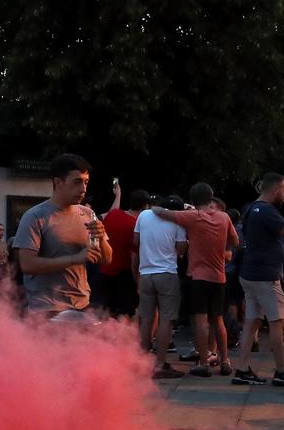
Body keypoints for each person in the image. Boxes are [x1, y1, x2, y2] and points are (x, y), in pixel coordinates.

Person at [152, 184, 239, 377]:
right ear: (211, 197)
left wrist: (184, 207)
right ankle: (225, 361)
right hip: (219, 277)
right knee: (218, 320)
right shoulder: (224, 218)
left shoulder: (192, 217)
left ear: (193, 199)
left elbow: (159, 212)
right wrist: (223, 248)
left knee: (200, 321)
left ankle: (203, 363)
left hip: (198, 277)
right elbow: (236, 241)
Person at [231, 173, 284, 386]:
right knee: (277, 322)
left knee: (253, 320)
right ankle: (282, 370)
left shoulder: (251, 209)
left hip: (250, 273)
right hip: (265, 276)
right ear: (275, 190)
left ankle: (243, 369)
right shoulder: (266, 211)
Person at [11, 154, 110, 317]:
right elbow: (27, 265)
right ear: (57, 182)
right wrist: (74, 259)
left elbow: (106, 260)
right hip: (46, 308)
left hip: (82, 304)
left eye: (86, 182)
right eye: (77, 182)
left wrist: (100, 239)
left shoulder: (88, 214)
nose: (83, 189)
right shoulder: (35, 216)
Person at [135, 194, 189, 377]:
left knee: (146, 318)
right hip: (167, 273)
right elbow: (181, 247)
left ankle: (142, 362)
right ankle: (159, 364)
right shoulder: (178, 220)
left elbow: (136, 241)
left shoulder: (144, 215)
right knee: (166, 319)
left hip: (145, 273)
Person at [97, 182, 141, 318]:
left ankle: (98, 338)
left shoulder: (114, 215)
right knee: (125, 313)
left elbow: (112, 211)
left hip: (104, 270)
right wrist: (137, 281)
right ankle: (121, 339)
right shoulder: (136, 226)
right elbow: (134, 257)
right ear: (146, 207)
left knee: (105, 311)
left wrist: (118, 195)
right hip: (123, 275)